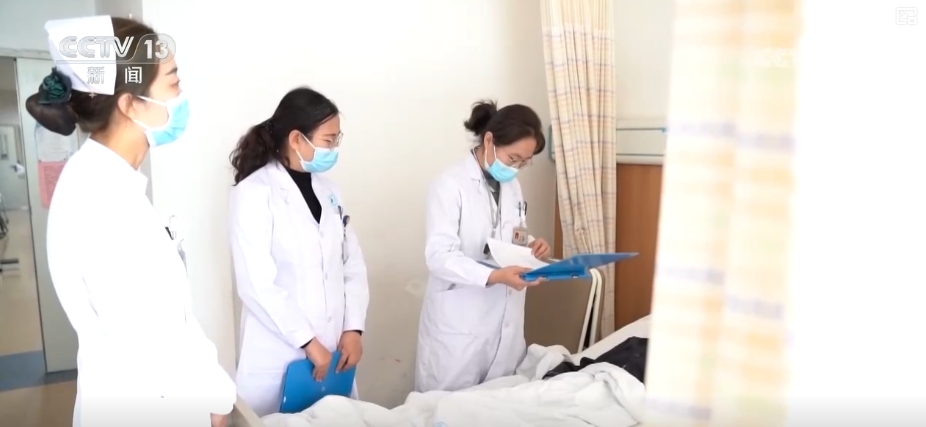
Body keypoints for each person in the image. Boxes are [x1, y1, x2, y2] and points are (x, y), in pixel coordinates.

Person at [31, 16, 235, 427]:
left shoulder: (105, 181)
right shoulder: (102, 200)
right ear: (129, 104)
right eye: (173, 83)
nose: (182, 98)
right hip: (146, 406)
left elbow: (167, 317)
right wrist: (216, 397)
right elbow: (151, 338)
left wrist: (214, 392)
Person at [228, 87, 370, 416]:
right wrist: (307, 341)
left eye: (337, 140)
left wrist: (354, 329)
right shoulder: (254, 193)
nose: (333, 149)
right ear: (296, 139)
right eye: (328, 140)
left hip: (333, 350)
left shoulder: (330, 192)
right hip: (280, 354)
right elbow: (256, 283)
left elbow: (352, 266)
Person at [415, 100, 552, 392]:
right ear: (489, 140)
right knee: (446, 408)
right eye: (513, 158)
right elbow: (439, 256)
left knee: (497, 405)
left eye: (524, 162)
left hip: (504, 324)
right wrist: (494, 276)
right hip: (460, 326)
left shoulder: (512, 186)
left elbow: (510, 235)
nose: (516, 167)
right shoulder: (450, 184)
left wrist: (531, 246)